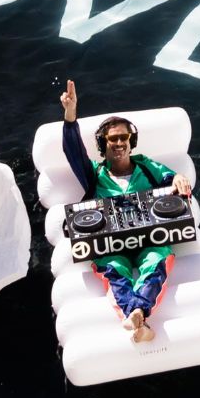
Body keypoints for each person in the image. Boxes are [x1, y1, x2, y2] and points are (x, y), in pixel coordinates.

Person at [59, 78, 192, 344]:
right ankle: (139, 318)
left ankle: (137, 315)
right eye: (113, 139)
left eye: (124, 138)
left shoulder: (146, 166)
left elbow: (173, 182)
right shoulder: (94, 174)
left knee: (157, 260)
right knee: (114, 269)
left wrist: (178, 178)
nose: (119, 143)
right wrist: (70, 117)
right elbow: (74, 152)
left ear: (132, 142)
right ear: (102, 143)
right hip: (110, 244)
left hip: (149, 238)